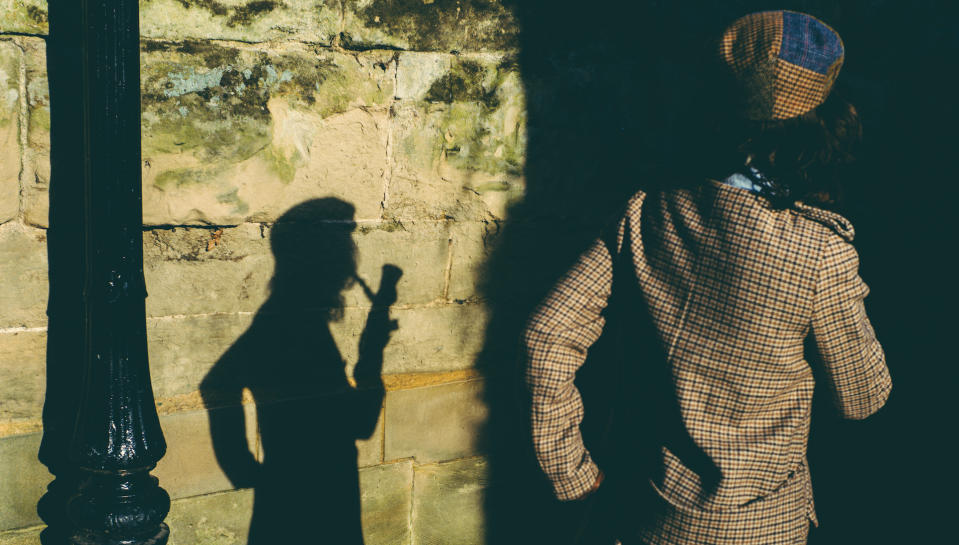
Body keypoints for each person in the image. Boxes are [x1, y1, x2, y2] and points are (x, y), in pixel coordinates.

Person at [523, 10, 892, 545]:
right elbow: (863, 397)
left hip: (646, 513)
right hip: (758, 529)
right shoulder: (820, 252)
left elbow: (546, 337)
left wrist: (572, 472)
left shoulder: (647, 211)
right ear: (824, 120)